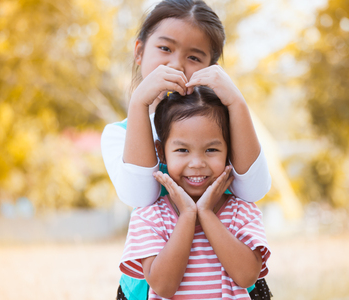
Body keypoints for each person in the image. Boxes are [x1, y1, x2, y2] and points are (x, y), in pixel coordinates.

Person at [100, 0, 272, 298]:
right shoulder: (118, 134)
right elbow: (141, 195)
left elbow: (254, 189)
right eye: (165, 49)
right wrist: (140, 101)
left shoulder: (227, 125)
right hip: (152, 286)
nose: (176, 65)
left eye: (194, 57)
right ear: (139, 51)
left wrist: (236, 101)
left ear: (212, 70)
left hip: (231, 282)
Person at [119, 87, 271, 299]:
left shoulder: (242, 211)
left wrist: (206, 213)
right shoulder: (150, 216)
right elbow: (163, 286)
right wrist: (188, 215)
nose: (197, 163)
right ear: (161, 152)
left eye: (211, 150)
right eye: (182, 150)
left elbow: (247, 277)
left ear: (229, 152)